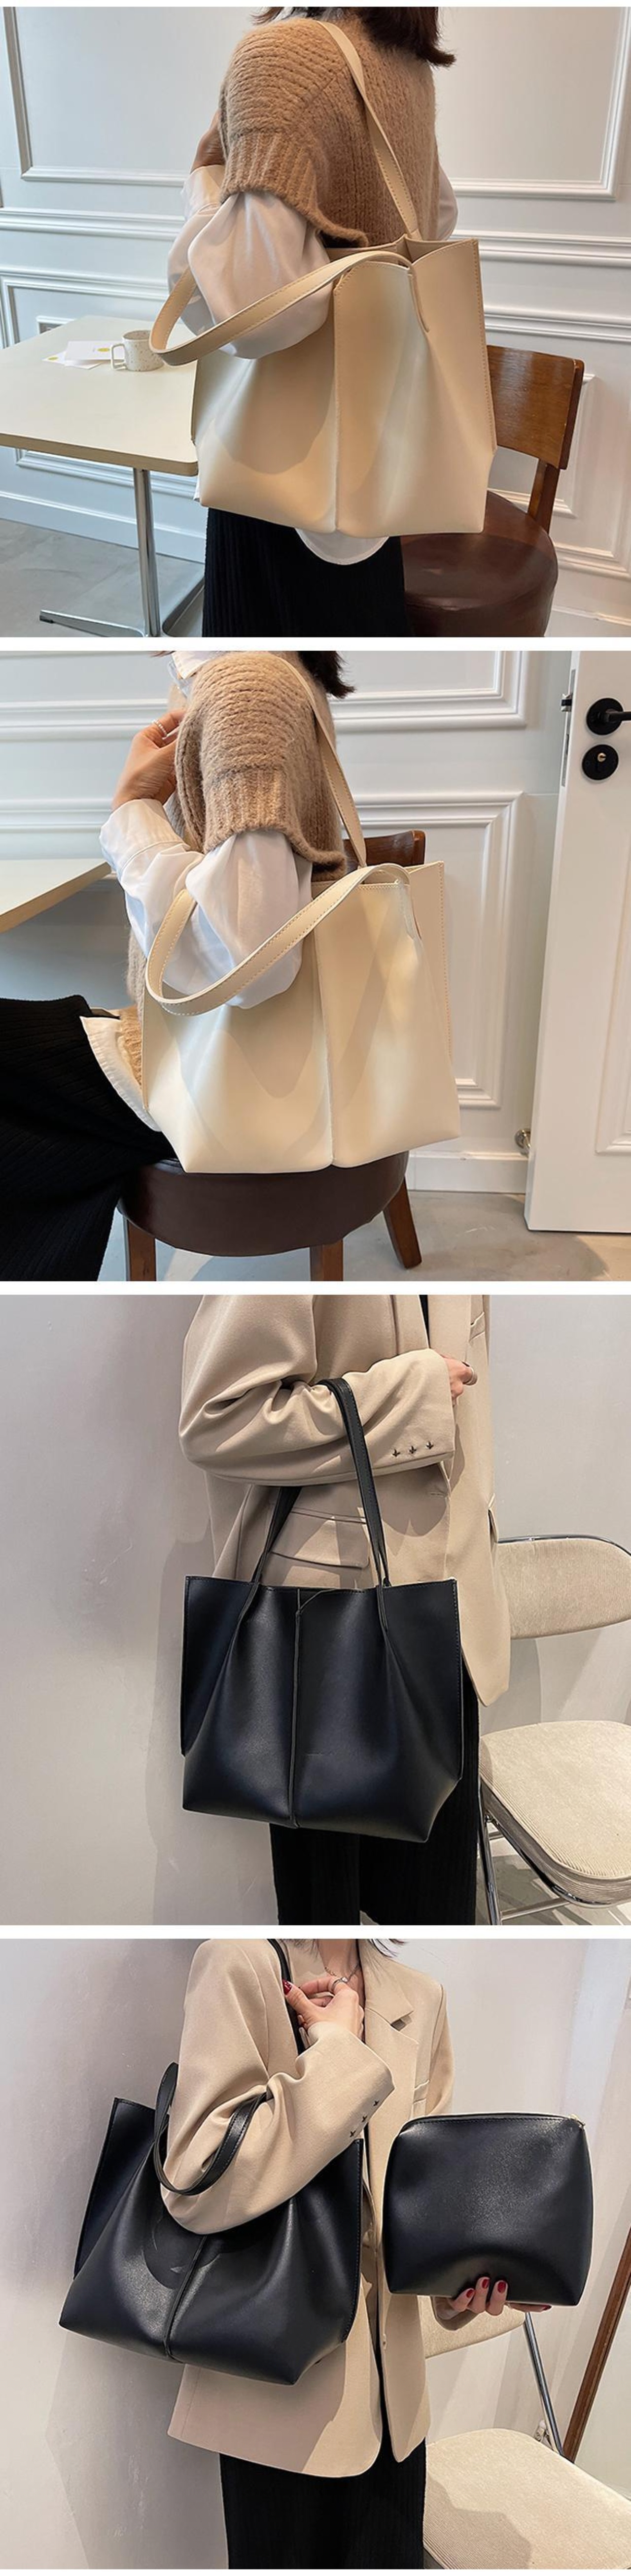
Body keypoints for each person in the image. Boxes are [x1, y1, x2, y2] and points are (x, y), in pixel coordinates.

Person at [161, 1937, 548, 2570]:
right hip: (279, 2408)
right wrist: (337, 2053)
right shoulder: (240, 1963)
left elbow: (424, 2203)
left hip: (396, 2415)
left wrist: (460, 2286)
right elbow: (197, 2185)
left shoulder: (419, 1995)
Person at [0, 650, 350, 1281]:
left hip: (228, 1079)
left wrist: (132, 808)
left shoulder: (246, 685)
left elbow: (249, 963)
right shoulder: (270, 675)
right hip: (258, 1057)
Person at [178, 1291, 511, 1922]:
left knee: (433, 1908)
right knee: (321, 1905)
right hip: (317, 1638)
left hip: (450, 1617)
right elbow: (215, 1420)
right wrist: (411, 1395)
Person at [167, 6, 458, 636]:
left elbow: (251, 314)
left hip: (284, 474)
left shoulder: (282, 56)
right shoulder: (404, 65)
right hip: (380, 456)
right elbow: (436, 216)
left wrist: (205, 179)